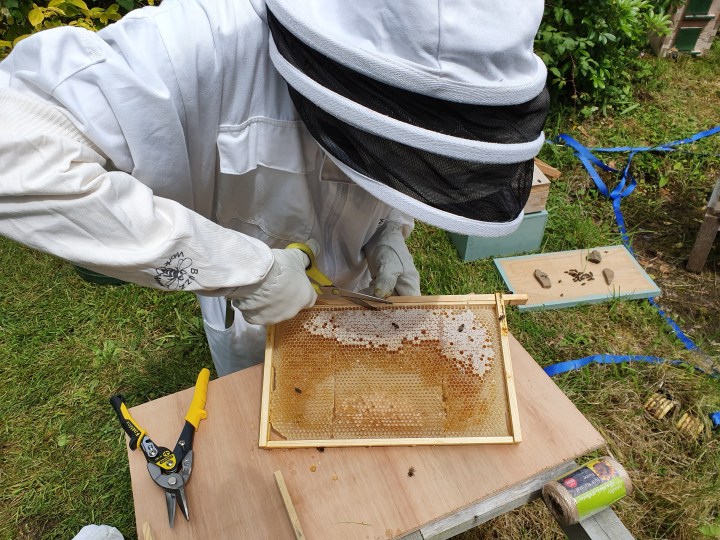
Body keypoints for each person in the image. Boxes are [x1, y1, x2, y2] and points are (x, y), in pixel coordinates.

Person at [0, 0, 549, 377]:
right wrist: (243, 270)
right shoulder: (201, 42)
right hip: (253, 319)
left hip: (362, 306)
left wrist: (389, 232)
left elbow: (395, 163)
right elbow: (16, 150)